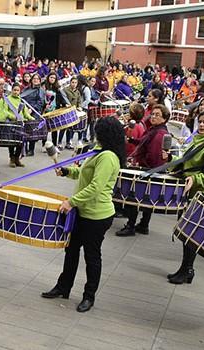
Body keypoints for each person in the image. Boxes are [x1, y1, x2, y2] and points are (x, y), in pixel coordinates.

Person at [42, 116, 125, 313]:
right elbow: (83, 174)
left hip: (97, 215)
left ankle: (89, 296)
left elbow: (96, 187)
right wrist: (67, 171)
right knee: (71, 251)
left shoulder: (108, 157)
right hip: (82, 211)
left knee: (92, 256)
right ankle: (63, 286)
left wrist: (71, 202)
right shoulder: (98, 152)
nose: (94, 133)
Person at [164, 109, 204, 284]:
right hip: (191, 194)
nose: (202, 125)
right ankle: (185, 269)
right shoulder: (196, 140)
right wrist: (171, 159)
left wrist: (196, 178)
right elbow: (188, 164)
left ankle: (187, 270)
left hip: (203, 196)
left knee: (191, 235)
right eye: (200, 121)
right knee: (186, 234)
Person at [116, 104, 169, 237]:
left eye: (158, 115)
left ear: (165, 118)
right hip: (150, 169)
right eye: (153, 114)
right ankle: (143, 224)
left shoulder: (159, 133)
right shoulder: (155, 129)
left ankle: (131, 225)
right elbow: (143, 141)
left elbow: (153, 155)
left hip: (147, 169)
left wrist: (140, 164)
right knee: (145, 199)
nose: (154, 116)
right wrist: (133, 140)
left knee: (135, 198)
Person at [5, 84, 34, 167]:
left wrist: (31, 118)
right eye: (14, 90)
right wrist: (13, 117)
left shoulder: (21, 100)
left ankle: (17, 158)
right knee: (12, 142)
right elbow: (5, 111)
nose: (16, 92)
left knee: (21, 142)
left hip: (20, 124)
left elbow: (26, 113)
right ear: (11, 90)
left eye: (17, 90)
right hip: (11, 123)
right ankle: (12, 158)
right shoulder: (7, 100)